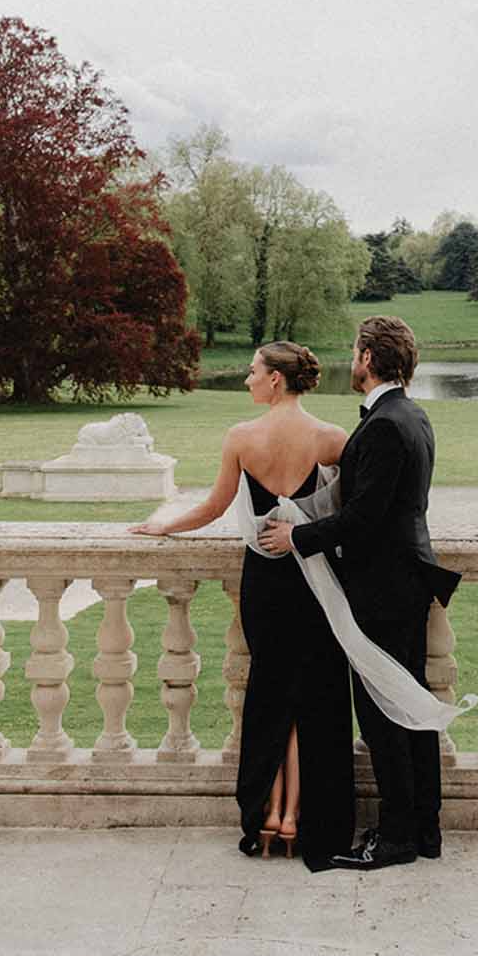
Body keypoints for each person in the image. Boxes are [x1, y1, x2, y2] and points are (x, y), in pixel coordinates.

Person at [130, 341, 354, 870]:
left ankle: (268, 812)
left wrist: (164, 525)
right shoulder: (331, 438)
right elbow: (352, 513)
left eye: (254, 372)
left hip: (267, 584)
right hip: (315, 580)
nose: (247, 380)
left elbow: (211, 507)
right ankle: (300, 815)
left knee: (272, 694)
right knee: (313, 698)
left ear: (276, 379)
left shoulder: (241, 438)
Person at [258, 315, 462, 872]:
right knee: (410, 707)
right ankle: (424, 829)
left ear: (369, 358)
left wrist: (296, 533)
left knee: (383, 715)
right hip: (405, 583)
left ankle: (397, 838)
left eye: (355, 352)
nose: (351, 360)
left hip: (384, 590)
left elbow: (363, 519)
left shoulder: (384, 426)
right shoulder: (412, 417)